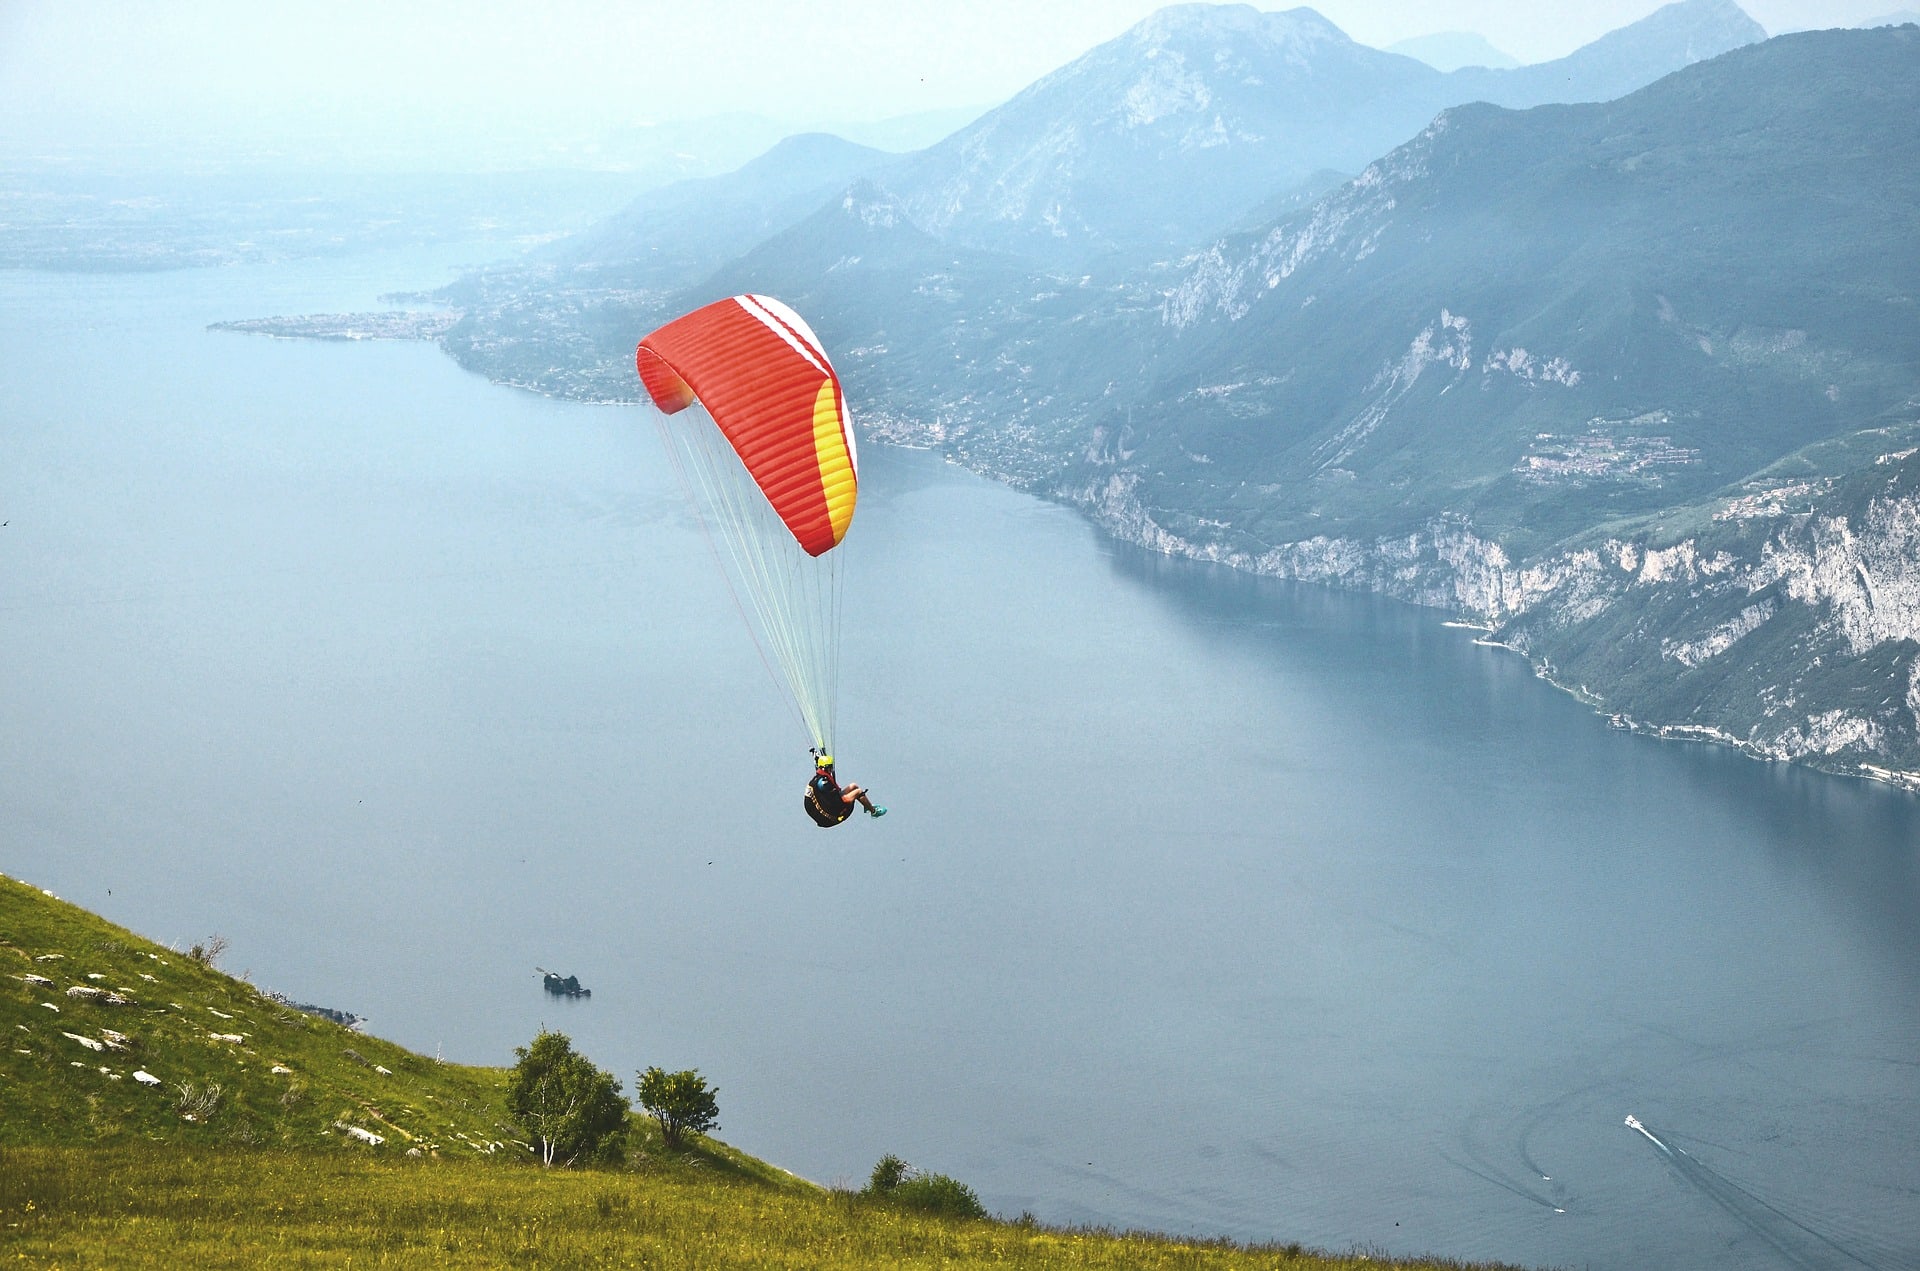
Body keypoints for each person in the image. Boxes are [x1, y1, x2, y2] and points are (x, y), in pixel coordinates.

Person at [804, 752, 885, 826]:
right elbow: (838, 798)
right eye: (830, 767)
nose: (831, 769)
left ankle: (867, 805)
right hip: (830, 814)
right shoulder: (823, 783)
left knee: (853, 785)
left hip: (826, 804)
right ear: (826, 768)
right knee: (858, 792)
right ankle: (873, 811)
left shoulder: (820, 775)